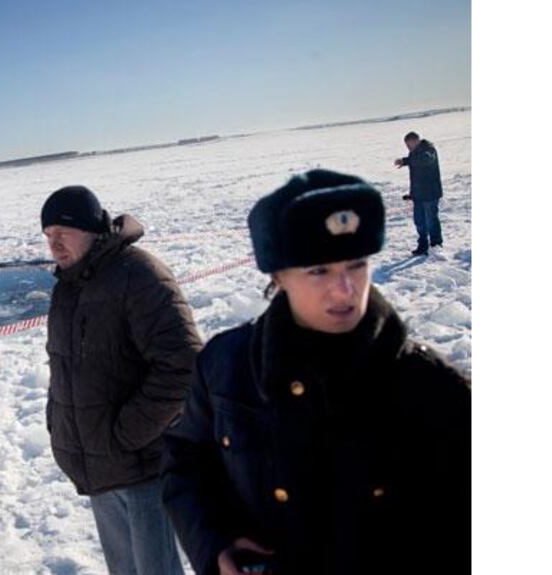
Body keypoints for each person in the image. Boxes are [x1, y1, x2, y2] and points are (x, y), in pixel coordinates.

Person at [161, 170, 470, 575]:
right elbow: (186, 462)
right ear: (278, 278)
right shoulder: (227, 368)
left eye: (356, 265)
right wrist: (215, 544)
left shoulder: (429, 386)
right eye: (318, 271)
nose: (345, 289)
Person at [41, 185, 202, 575]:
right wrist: (61, 425)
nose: (55, 245)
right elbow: (64, 366)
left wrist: (126, 434)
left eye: (63, 232)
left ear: (92, 229)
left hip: (143, 465)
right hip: (100, 464)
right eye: (48, 236)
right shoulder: (70, 285)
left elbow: (183, 364)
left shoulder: (139, 275)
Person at [394, 131, 444, 256]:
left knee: (431, 220)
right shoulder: (414, 152)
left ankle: (436, 245)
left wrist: (406, 161)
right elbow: (416, 177)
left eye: (409, 144)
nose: (408, 147)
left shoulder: (428, 149)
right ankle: (423, 245)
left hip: (431, 193)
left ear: (416, 141)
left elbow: (425, 160)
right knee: (419, 221)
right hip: (419, 195)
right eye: (406, 145)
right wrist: (412, 194)